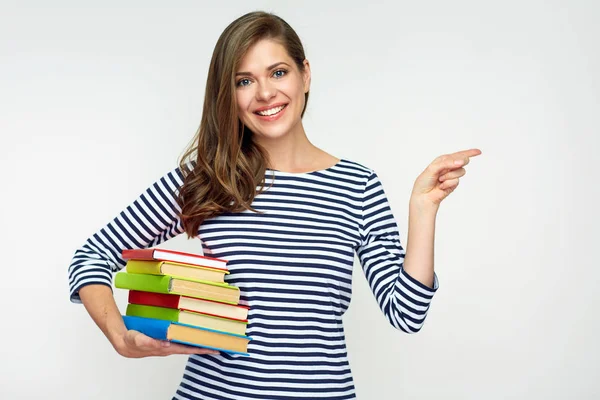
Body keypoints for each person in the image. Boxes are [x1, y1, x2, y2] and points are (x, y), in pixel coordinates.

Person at [68, 10, 481, 400]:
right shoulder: (209, 178)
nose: (265, 93)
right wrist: (119, 335)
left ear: (305, 74)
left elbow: (406, 313)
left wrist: (423, 209)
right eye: (243, 81)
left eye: (278, 72)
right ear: (228, 94)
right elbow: (91, 255)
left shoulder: (357, 186)